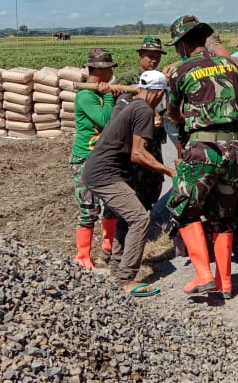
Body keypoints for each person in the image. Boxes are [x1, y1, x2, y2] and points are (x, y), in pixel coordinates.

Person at [165, 14, 238, 298]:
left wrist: (179, 120)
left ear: (184, 44)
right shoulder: (230, 66)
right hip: (235, 149)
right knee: (224, 217)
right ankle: (225, 284)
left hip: (203, 149)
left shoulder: (181, 70)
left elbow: (173, 112)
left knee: (183, 208)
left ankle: (203, 274)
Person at [83, 70, 175, 296]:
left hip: (100, 170)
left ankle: (116, 270)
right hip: (106, 174)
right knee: (140, 219)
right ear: (160, 92)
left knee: (127, 216)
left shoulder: (134, 104)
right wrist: (169, 170)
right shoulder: (143, 109)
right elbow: (138, 154)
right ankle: (126, 280)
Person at [70, 48, 128, 269]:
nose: (111, 74)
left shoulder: (102, 93)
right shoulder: (86, 95)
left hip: (103, 157)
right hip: (85, 158)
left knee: (111, 204)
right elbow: (105, 120)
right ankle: (83, 256)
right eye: (109, 69)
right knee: (89, 208)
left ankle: (108, 244)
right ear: (99, 71)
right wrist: (108, 97)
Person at [114, 36, 169, 210]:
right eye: (149, 56)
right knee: (135, 190)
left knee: (153, 186)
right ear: (141, 55)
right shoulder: (128, 79)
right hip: (135, 143)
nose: (154, 60)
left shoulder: (162, 79)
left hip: (153, 141)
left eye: (157, 56)